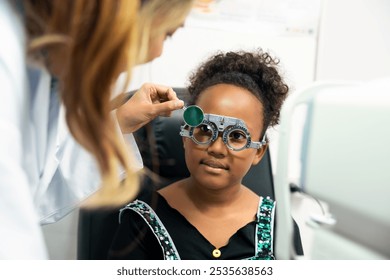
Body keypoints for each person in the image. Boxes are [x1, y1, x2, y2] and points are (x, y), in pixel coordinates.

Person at [0, 0, 194, 259]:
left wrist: (121, 122)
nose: (156, 52)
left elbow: (35, 189)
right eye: (167, 34)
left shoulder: (41, 65)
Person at [108, 49, 304, 260]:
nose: (217, 149)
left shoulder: (279, 228)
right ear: (185, 136)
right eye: (205, 130)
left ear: (258, 151)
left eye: (236, 136)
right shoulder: (142, 221)